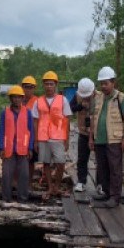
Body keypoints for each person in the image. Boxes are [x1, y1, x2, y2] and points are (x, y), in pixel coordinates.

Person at [89, 66, 124, 207]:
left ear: (113, 82)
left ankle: (115, 197)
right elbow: (93, 118)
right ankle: (107, 193)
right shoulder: (98, 98)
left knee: (115, 169)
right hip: (99, 140)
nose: (103, 86)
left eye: (106, 83)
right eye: (101, 83)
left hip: (114, 139)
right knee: (102, 168)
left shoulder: (121, 98)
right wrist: (91, 138)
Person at [32, 71, 71, 200]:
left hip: (58, 136)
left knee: (60, 163)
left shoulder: (62, 99)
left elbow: (67, 120)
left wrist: (67, 139)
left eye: (51, 84)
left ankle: (57, 186)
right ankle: (50, 187)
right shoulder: (38, 101)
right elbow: (36, 121)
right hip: (43, 137)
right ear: (43, 85)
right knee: (46, 163)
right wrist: (36, 140)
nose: (49, 86)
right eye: (47, 84)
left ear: (56, 85)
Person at [0, 85, 34, 203]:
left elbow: (31, 131)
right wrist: (1, 147)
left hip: (23, 148)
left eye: (19, 97)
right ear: (10, 98)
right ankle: (6, 198)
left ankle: (22, 198)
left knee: (24, 175)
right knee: (6, 175)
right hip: (9, 148)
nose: (16, 99)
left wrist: (30, 147)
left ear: (22, 98)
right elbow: (2, 130)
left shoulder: (28, 113)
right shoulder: (5, 113)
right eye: (14, 97)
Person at [70, 78, 95, 192]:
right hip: (83, 132)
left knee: (101, 160)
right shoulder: (77, 96)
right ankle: (81, 181)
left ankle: (100, 184)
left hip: (97, 133)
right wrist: (80, 106)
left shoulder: (99, 96)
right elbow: (70, 109)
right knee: (82, 159)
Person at [21, 75, 39, 187]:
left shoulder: (37, 102)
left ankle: (29, 182)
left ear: (34, 88)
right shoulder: (17, 99)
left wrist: (37, 139)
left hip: (32, 134)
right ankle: (17, 181)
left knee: (31, 160)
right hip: (19, 135)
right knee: (18, 158)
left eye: (31, 87)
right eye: (26, 87)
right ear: (22, 87)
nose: (28, 89)